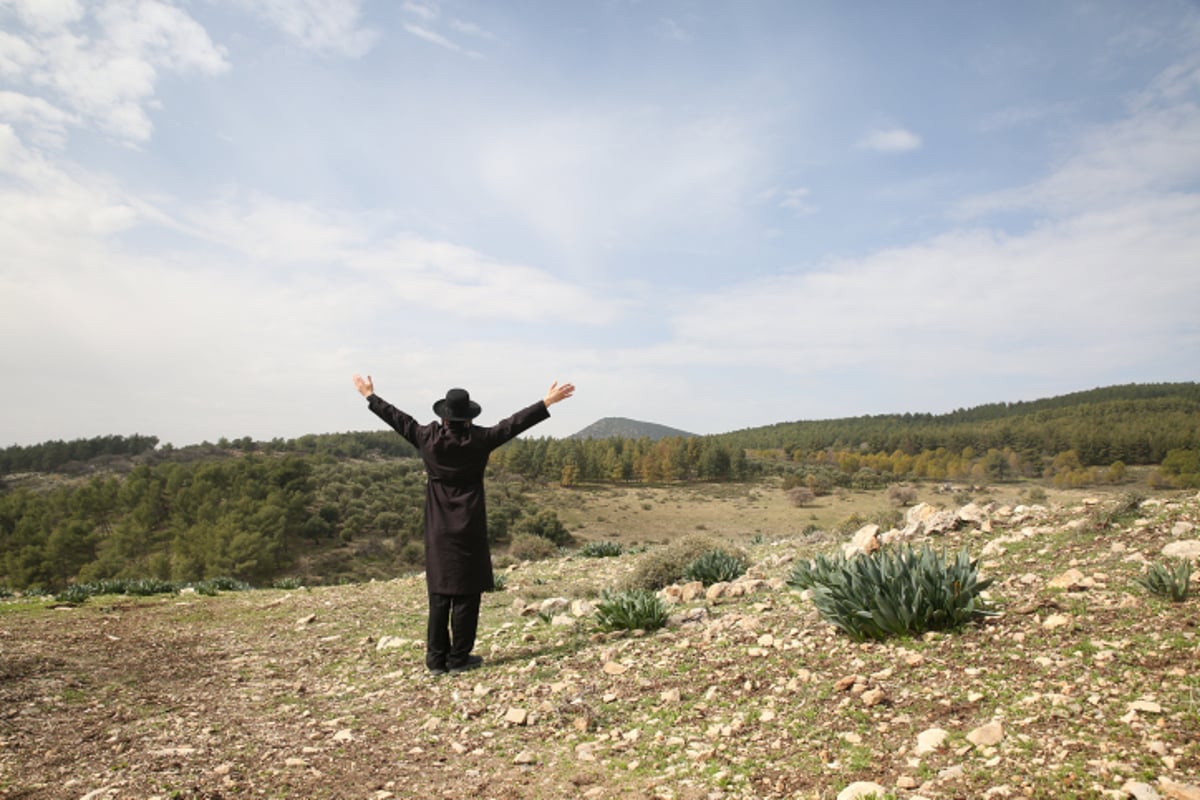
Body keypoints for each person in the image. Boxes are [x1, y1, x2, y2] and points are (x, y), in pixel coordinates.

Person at [352, 374, 575, 675]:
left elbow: (399, 420)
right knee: (467, 593)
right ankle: (458, 659)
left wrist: (370, 396)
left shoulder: (427, 438)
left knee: (440, 593)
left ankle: (435, 660)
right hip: (469, 524)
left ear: (444, 418)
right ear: (468, 417)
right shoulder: (479, 441)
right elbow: (512, 424)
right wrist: (547, 402)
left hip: (438, 527)